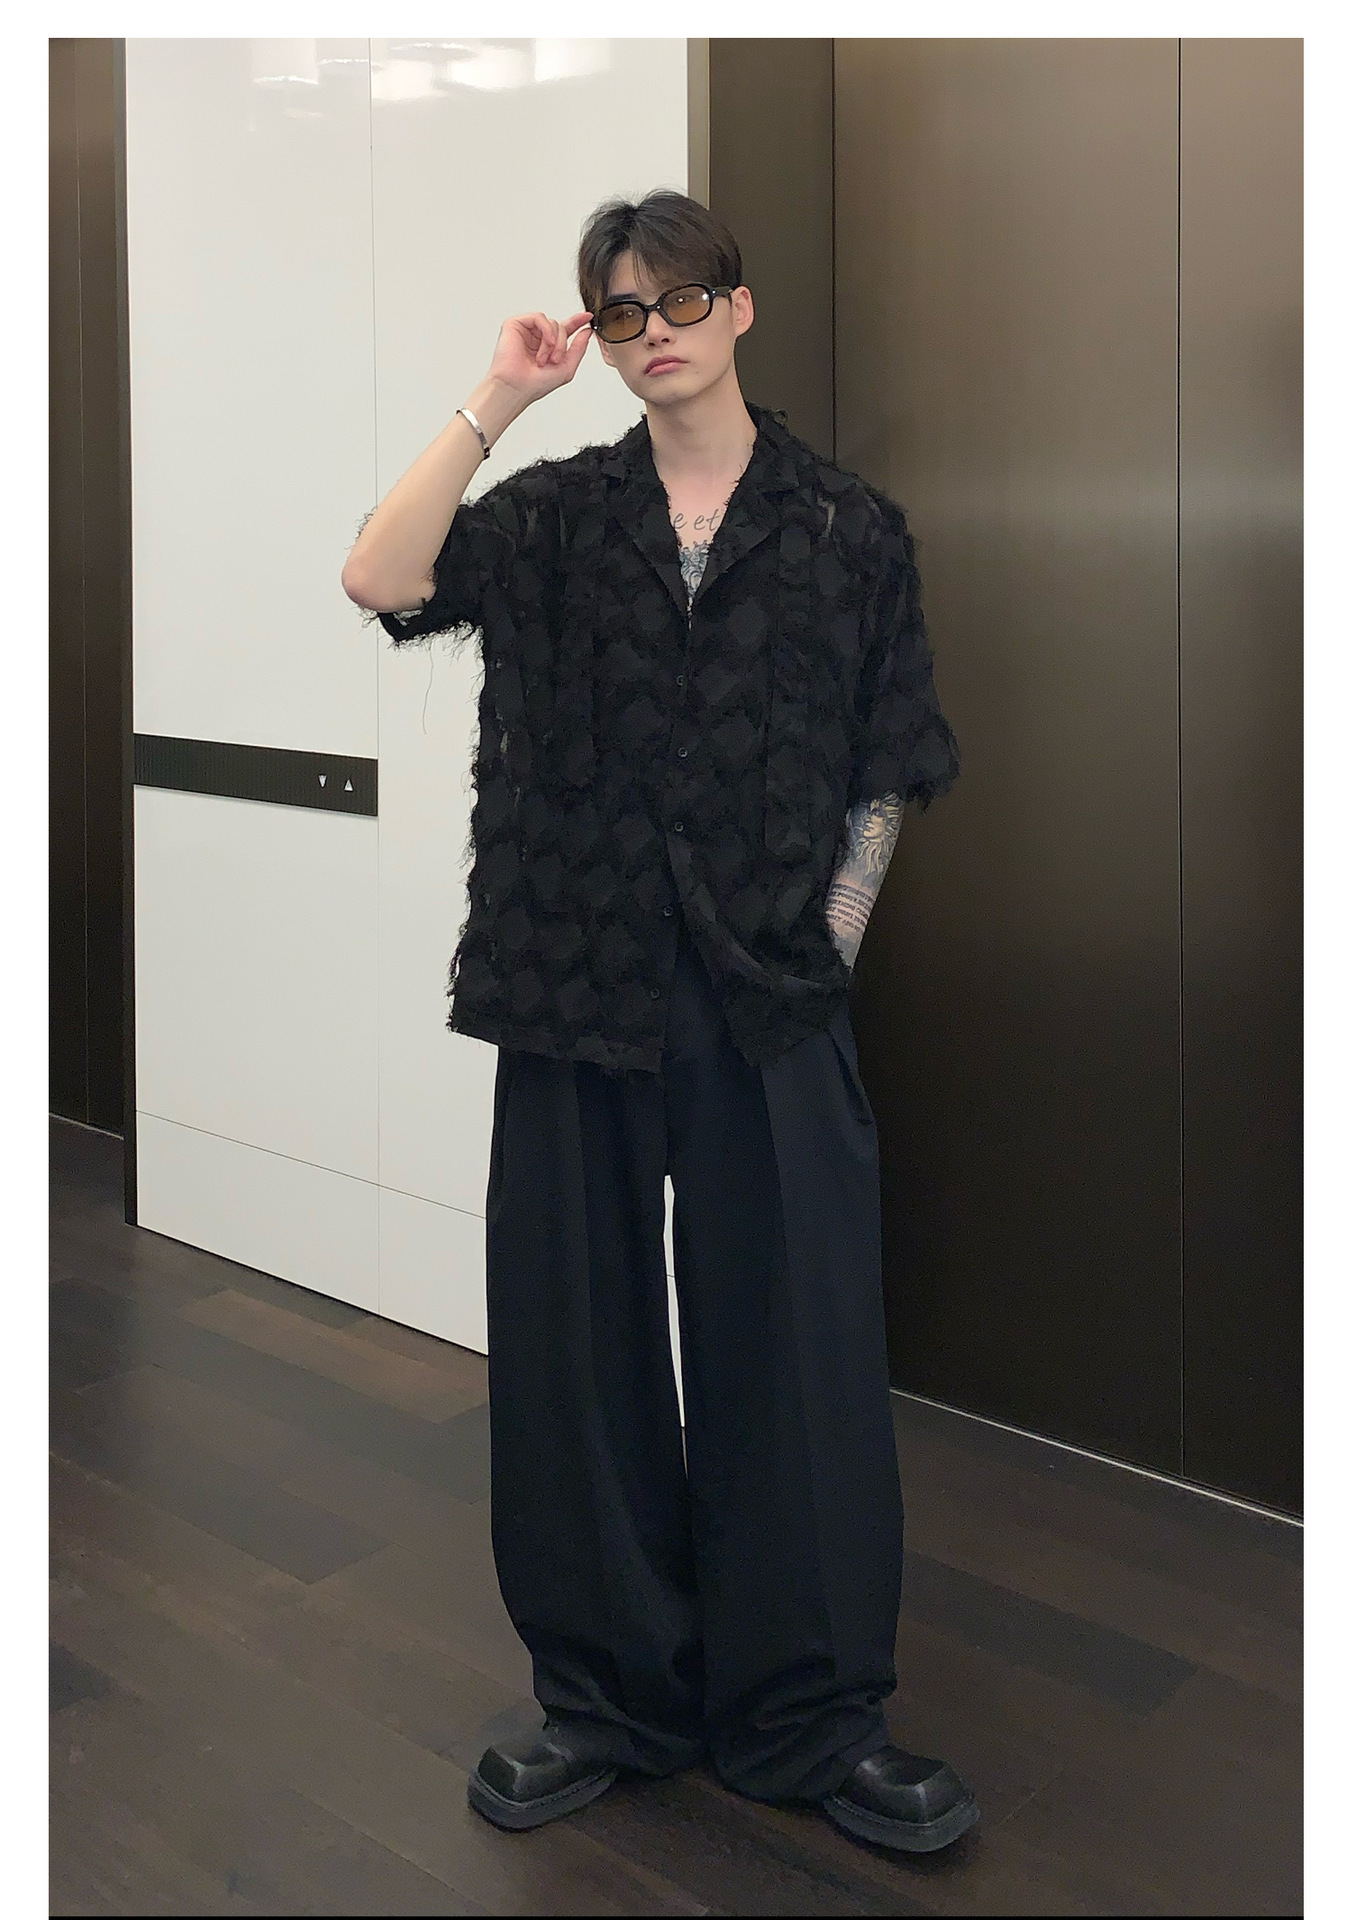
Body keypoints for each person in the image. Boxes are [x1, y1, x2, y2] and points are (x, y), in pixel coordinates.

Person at [342, 189, 975, 1856]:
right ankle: (608, 1697)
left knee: (800, 1344)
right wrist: (500, 396)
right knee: (575, 1339)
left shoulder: (847, 529)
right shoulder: (556, 516)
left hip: (769, 998)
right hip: (576, 983)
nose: (655, 333)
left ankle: (812, 1713)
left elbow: (890, 766)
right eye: (622, 313)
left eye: (681, 299)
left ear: (738, 308)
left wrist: (828, 945)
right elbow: (379, 573)